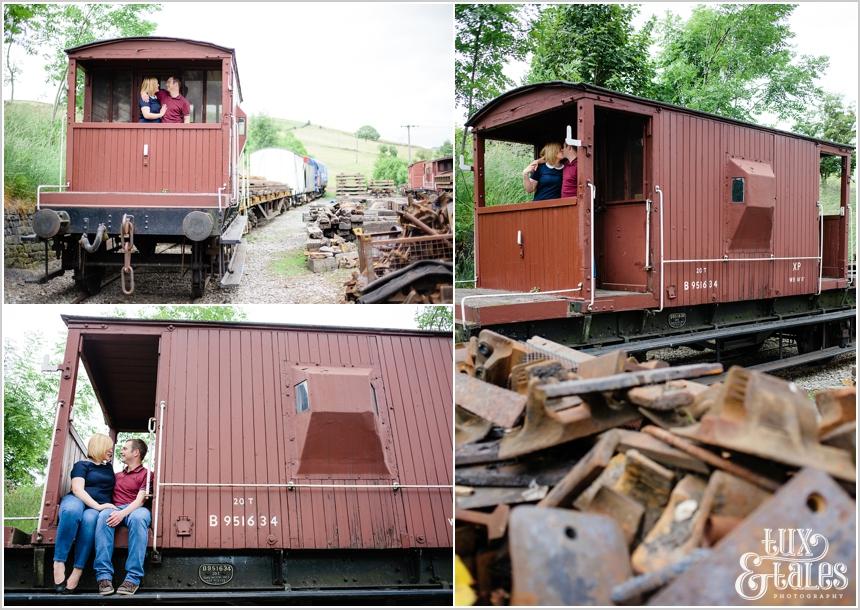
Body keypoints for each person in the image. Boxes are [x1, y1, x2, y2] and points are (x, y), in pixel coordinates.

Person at [52, 433, 116, 594]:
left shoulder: (108, 467)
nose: (111, 450)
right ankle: (59, 561)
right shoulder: (82, 465)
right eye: (109, 447)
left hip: (96, 507)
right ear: (99, 446)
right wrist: (97, 506)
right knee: (71, 511)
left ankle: (77, 570)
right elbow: (77, 489)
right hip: (78, 499)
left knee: (90, 519)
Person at [94, 439, 153, 596]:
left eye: (125, 448)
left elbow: (141, 500)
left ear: (136, 453)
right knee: (104, 516)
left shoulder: (147, 474)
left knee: (138, 519)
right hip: (116, 507)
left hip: (137, 509)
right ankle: (103, 577)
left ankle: (133, 578)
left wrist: (122, 514)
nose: (121, 450)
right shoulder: (116, 475)